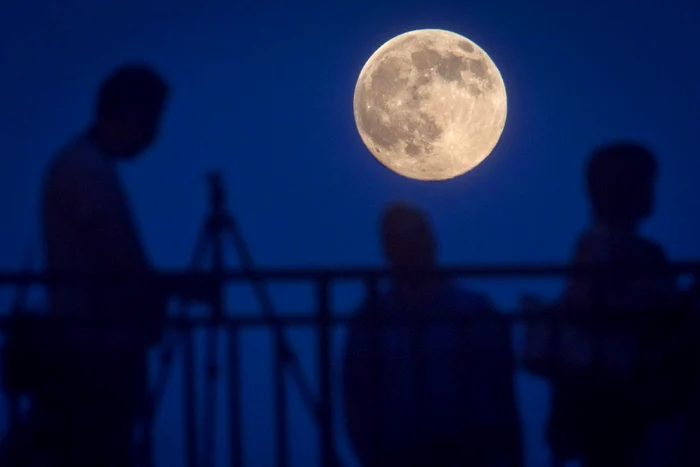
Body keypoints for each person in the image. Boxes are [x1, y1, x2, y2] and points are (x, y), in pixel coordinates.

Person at [32, 64, 169, 467]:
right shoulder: (86, 171)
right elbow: (118, 255)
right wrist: (152, 292)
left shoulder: (82, 164)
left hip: (94, 343)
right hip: (95, 350)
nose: (153, 132)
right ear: (127, 113)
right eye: (150, 118)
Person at [539, 142, 693, 467]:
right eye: (647, 182)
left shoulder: (607, 247)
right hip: (622, 396)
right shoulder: (616, 250)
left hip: (617, 395)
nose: (653, 191)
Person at [342, 203, 522, 467]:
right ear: (388, 249)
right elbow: (356, 402)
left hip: (470, 450)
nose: (412, 248)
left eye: (417, 237)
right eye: (401, 240)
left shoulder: (474, 311)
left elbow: (502, 392)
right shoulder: (370, 322)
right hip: (402, 453)